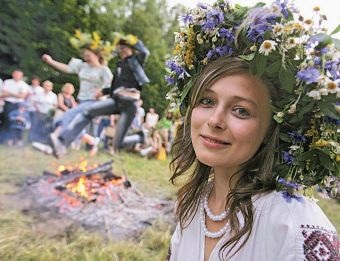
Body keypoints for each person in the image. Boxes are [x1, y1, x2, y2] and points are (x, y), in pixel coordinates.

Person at [166, 1, 339, 260]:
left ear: (272, 129)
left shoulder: (294, 224)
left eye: (241, 110)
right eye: (207, 101)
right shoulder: (192, 204)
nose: (215, 120)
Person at [39, 32, 150, 158]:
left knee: (117, 145)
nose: (121, 50)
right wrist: (104, 91)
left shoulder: (136, 61)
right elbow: (116, 86)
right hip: (116, 101)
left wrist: (133, 41)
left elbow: (145, 52)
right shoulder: (119, 65)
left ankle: (140, 137)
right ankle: (63, 141)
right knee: (87, 111)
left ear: (130, 49)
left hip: (129, 104)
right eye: (120, 48)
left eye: (124, 47)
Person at [0, 70, 29, 142]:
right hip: (8, 103)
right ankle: (4, 139)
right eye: (16, 75)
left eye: (19, 75)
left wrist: (10, 93)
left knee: (17, 122)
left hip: (19, 105)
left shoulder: (24, 84)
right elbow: (3, 94)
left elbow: (22, 96)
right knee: (6, 121)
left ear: (21, 76)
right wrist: (17, 94)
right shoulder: (7, 82)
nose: (17, 76)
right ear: (13, 74)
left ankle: (14, 139)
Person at [26, 75, 44, 142]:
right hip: (27, 108)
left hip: (35, 109)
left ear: (38, 82)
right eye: (34, 80)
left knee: (34, 124)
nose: (35, 82)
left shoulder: (41, 90)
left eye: (36, 81)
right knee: (25, 124)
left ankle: (31, 139)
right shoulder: (28, 88)